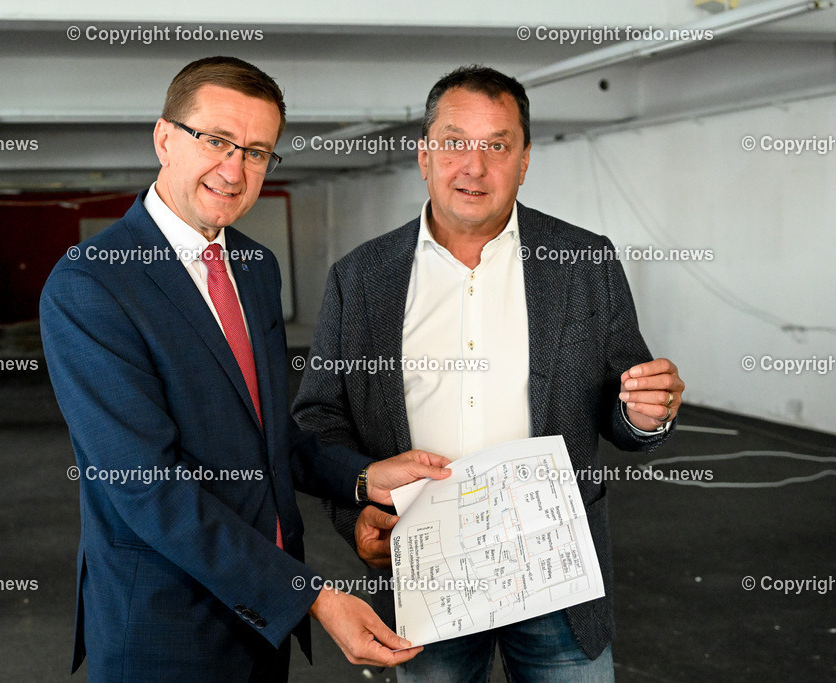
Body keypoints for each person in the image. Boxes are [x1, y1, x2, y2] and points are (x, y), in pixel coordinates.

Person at [39, 56, 450, 682]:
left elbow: (263, 437)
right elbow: (148, 485)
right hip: (162, 623)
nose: (234, 170)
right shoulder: (92, 282)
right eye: (216, 141)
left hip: (259, 621)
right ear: (164, 138)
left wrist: (365, 477)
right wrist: (311, 597)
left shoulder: (255, 267)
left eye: (257, 152)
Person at [292, 65, 686, 682]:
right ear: (424, 155)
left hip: (556, 574)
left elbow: (625, 404)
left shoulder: (584, 262)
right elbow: (319, 417)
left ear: (524, 160)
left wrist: (644, 415)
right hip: (427, 567)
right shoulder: (361, 277)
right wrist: (355, 506)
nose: (473, 166)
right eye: (454, 142)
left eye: (496, 145)